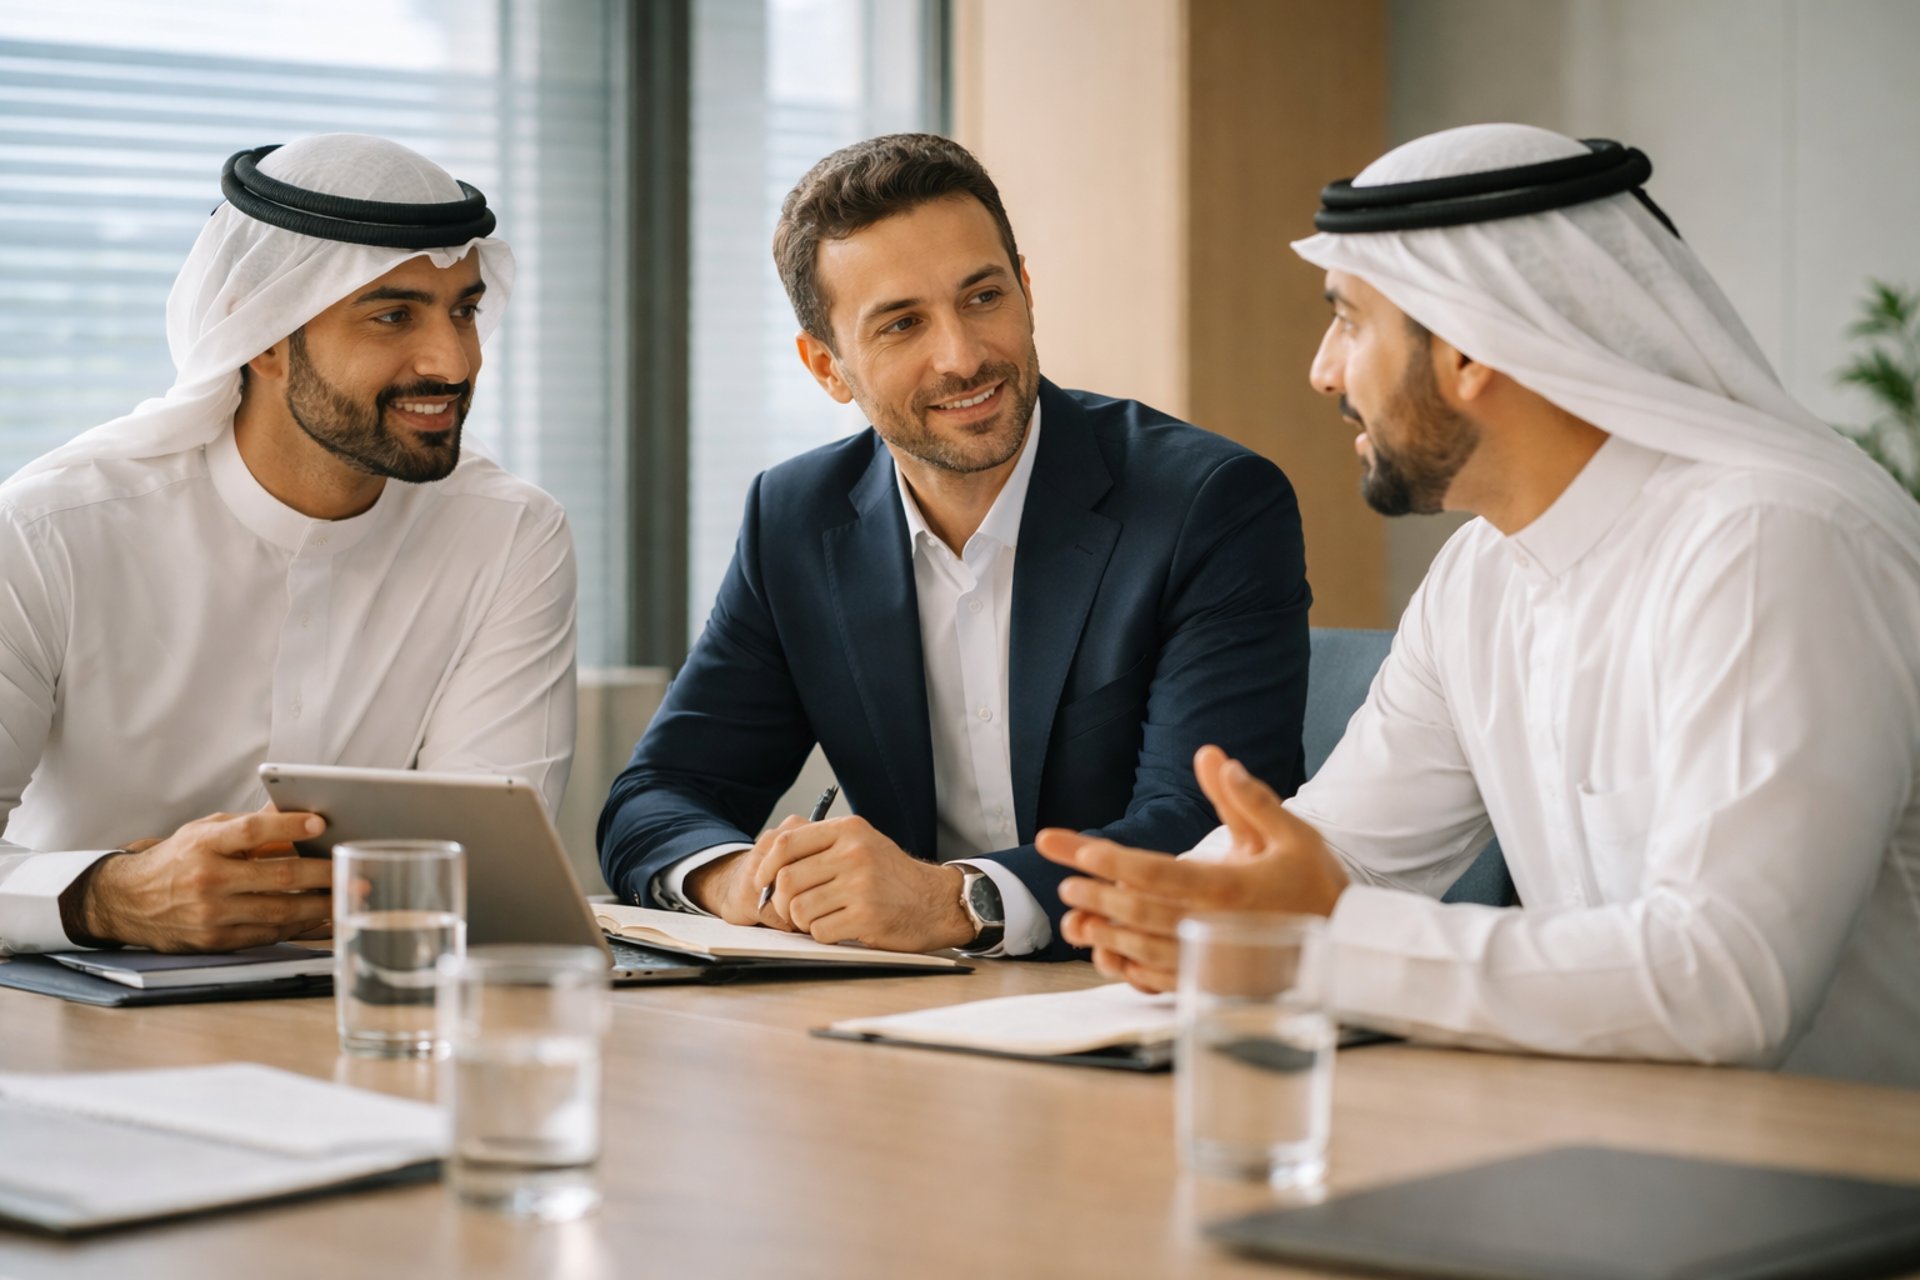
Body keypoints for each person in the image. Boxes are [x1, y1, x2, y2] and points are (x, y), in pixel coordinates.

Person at [1039, 123, 1920, 1086]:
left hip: (1838, 1165)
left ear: (1465, 351)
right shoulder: (1478, 576)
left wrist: (1314, 940)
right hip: (1610, 1145)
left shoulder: (1771, 543)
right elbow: (1350, 848)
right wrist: (1184, 905)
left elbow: (1725, 985)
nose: (1324, 371)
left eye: (1350, 322)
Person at [599, 133, 1309, 960]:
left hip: (1130, 986)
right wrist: (743, 881)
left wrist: (962, 901)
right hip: (912, 1002)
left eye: (983, 297)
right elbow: (657, 795)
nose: (963, 357)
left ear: (1026, 292)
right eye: (902, 324)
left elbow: (1207, 830)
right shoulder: (794, 520)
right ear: (826, 367)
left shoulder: (1209, 504)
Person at [0, 134, 577, 956]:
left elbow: (486, 877)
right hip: (69, 1010)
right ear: (263, 334)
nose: (453, 362)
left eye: (465, 311)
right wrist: (109, 898)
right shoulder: (47, 531)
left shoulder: (511, 536)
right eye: (392, 316)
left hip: (367, 1004)